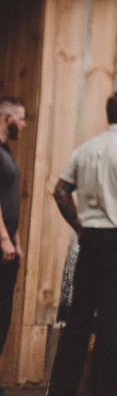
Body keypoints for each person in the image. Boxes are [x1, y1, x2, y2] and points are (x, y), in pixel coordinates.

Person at [47, 90, 117, 396]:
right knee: (112, 320)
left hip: (90, 238)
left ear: (109, 114)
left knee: (78, 319)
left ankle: (60, 390)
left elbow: (61, 190)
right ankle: (106, 390)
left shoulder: (86, 149)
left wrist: (79, 226)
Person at [0, 97, 26, 362]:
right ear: (8, 117)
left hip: (7, 247)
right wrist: (4, 240)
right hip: (0, 246)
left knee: (3, 312)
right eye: (21, 118)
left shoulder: (6, 152)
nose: (24, 124)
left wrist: (16, 241)